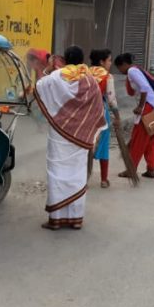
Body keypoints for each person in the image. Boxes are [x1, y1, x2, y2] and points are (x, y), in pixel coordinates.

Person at [34, 46, 107, 229]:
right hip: (81, 138)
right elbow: (97, 108)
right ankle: (75, 219)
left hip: (60, 134)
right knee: (77, 175)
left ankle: (56, 220)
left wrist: (48, 69)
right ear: (82, 59)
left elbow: (40, 86)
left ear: (64, 59)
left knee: (57, 174)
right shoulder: (90, 79)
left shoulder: (57, 76)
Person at [115, 53, 154, 179]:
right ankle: (151, 169)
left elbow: (144, 88)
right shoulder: (138, 69)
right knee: (150, 140)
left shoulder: (132, 71)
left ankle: (131, 169)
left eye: (119, 68)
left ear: (124, 64)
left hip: (146, 107)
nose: (119, 71)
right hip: (153, 106)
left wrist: (140, 106)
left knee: (138, 139)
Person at [89, 49, 119, 188]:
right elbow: (111, 99)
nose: (110, 63)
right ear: (102, 61)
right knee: (104, 144)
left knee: (86, 145)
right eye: (109, 60)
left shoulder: (85, 72)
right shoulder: (107, 76)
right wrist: (117, 116)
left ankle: (83, 180)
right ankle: (103, 179)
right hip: (101, 112)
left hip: (85, 113)